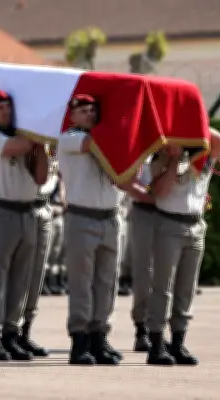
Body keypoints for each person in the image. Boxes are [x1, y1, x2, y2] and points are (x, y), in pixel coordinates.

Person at [59, 94, 145, 365]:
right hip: (82, 216)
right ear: (72, 116)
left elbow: (127, 174)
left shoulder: (108, 141)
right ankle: (79, 340)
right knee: (82, 282)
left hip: (110, 216)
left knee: (107, 282)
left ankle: (99, 336)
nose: (90, 115)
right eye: (83, 111)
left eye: (93, 111)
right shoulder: (70, 138)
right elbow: (92, 144)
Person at [0, 89, 49, 361]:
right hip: (3, 211)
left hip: (27, 211)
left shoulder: (27, 139)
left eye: (8, 107)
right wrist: (38, 129)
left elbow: (41, 177)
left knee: (21, 278)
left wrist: (41, 145)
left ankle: (11, 332)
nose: (5, 112)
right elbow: (18, 147)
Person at [145, 128, 220, 366]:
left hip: (196, 225)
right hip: (169, 224)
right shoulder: (159, 159)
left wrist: (193, 126)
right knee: (163, 288)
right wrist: (174, 157)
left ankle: (178, 341)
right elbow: (160, 191)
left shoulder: (203, 157)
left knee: (186, 289)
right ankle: (156, 343)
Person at [16, 145, 58, 358]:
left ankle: (25, 331)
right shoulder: (32, 142)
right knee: (20, 275)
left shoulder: (53, 144)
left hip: (45, 207)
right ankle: (10, 330)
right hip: (25, 207)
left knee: (36, 276)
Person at [127, 153, 159, 353]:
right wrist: (152, 198)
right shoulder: (141, 151)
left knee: (166, 275)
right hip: (144, 211)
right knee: (144, 272)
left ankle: (160, 328)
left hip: (170, 213)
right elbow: (130, 184)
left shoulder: (174, 148)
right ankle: (142, 328)